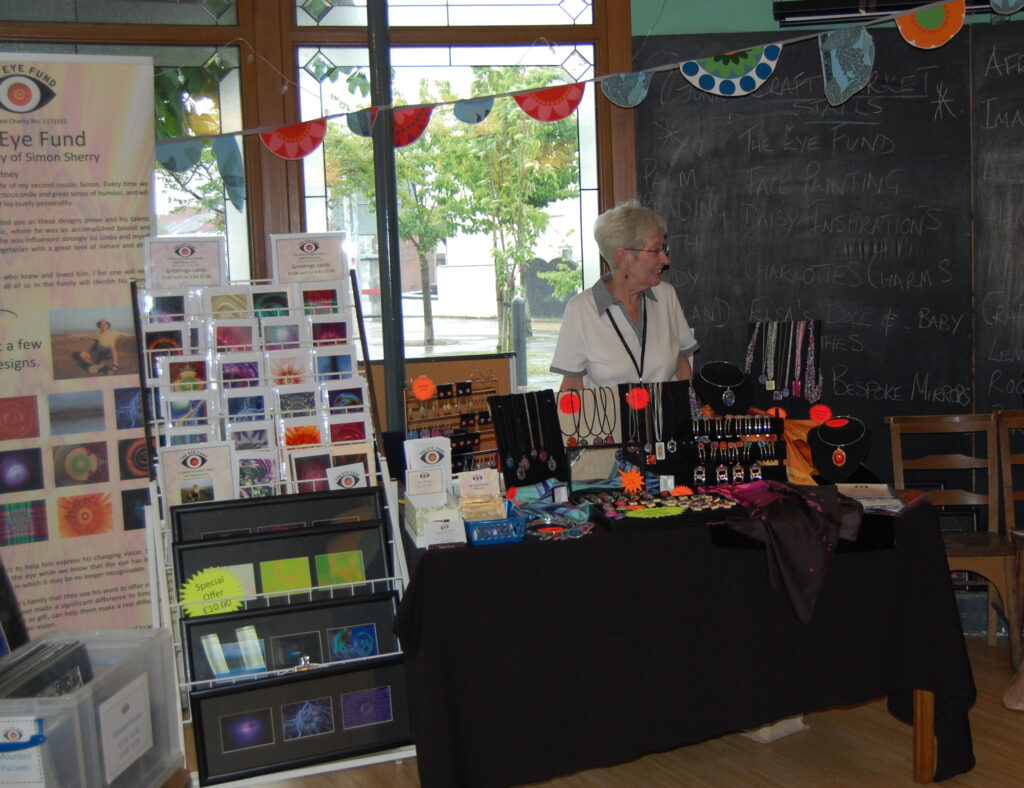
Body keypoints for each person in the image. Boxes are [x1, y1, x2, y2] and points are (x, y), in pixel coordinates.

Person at [550, 200, 698, 389]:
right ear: (623, 257)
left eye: (664, 249)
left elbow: (681, 365)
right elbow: (571, 387)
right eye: (655, 250)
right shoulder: (581, 309)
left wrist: (690, 412)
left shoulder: (666, 296)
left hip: (664, 418)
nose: (665, 259)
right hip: (607, 419)